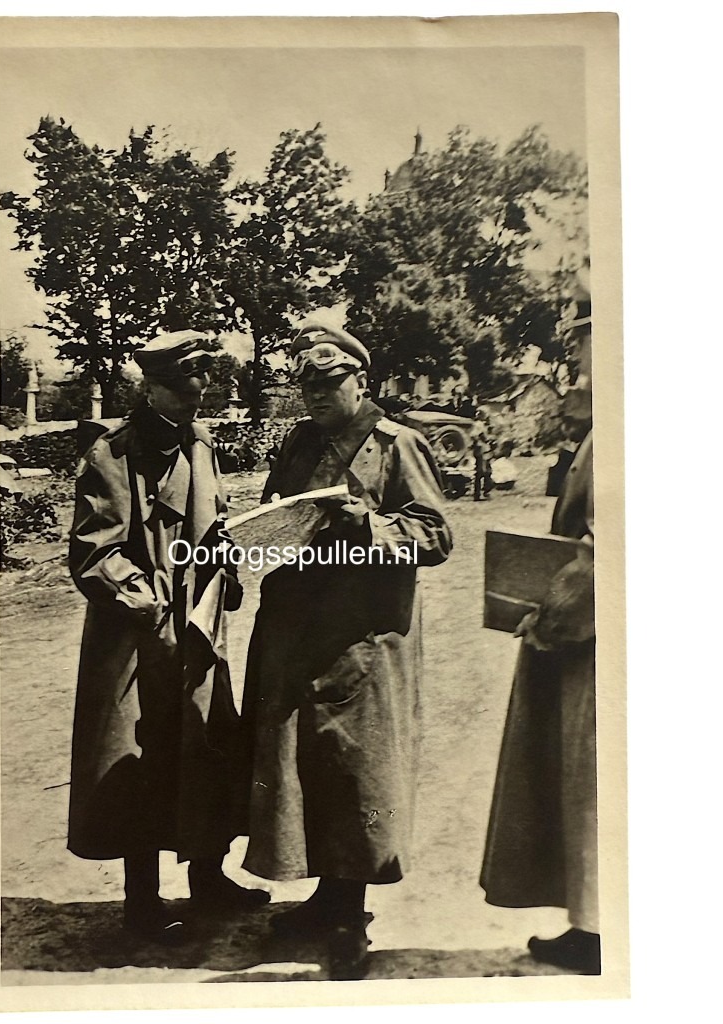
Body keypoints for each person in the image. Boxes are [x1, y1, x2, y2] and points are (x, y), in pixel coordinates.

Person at [240, 320, 453, 979]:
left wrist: (370, 523)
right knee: (305, 767)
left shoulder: (396, 446)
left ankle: (349, 920)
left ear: (360, 380)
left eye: (330, 382)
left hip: (362, 638)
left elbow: (436, 534)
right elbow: (282, 510)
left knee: (355, 770)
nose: (317, 395)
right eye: (307, 384)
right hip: (296, 632)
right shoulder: (301, 441)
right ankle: (325, 896)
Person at [67, 330, 268, 945]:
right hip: (139, 639)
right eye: (184, 384)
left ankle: (208, 877)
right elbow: (93, 554)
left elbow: (214, 523)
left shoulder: (198, 446)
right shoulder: (113, 454)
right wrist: (151, 608)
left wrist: (226, 563)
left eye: (203, 382)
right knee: (139, 760)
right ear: (149, 386)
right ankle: (143, 902)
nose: (198, 393)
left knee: (206, 747)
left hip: (200, 630)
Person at [480, 367, 599, 974]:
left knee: (595, 781)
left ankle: (600, 932)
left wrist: (550, 621)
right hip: (600, 635)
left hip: (598, 643)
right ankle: (595, 924)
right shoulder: (599, 435)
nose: (571, 388)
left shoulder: (616, 437)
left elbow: (599, 553)